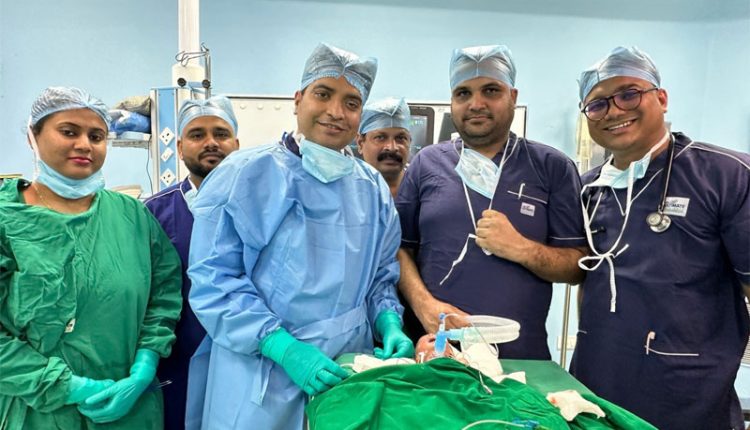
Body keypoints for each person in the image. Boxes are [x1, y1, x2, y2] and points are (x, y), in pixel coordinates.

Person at [186, 42, 414, 430]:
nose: (336, 112)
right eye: (323, 94)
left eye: (351, 102)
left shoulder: (372, 189)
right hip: (260, 370)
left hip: (345, 370)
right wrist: (282, 346)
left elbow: (380, 276)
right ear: (298, 99)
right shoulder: (245, 175)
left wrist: (389, 321)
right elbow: (214, 280)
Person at [569, 46, 750, 430]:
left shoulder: (725, 175)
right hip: (596, 385)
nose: (613, 111)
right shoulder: (587, 189)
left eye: (628, 94)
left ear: (662, 98)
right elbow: (592, 279)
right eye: (597, 105)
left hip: (690, 397)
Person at [0, 87, 182, 429]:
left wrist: (145, 364)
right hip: (35, 411)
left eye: (96, 136)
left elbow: (163, 293)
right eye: (69, 132)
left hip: (129, 409)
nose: (84, 144)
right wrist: (65, 387)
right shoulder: (6, 219)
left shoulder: (132, 216)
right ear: (32, 136)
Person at [396, 45, 587, 359]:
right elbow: (400, 249)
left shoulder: (552, 167)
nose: (476, 104)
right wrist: (424, 306)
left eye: (491, 90)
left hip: (520, 356)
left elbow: (578, 267)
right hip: (436, 350)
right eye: (463, 93)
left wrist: (522, 248)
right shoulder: (426, 164)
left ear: (512, 96)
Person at [144, 95, 240, 430]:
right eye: (197, 135)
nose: (211, 142)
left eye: (221, 133)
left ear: (237, 144)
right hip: (177, 362)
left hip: (249, 358)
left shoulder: (264, 208)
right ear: (180, 146)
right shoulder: (154, 213)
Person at [356, 97, 412, 197]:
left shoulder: (424, 188)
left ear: (409, 142)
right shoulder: (347, 191)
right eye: (380, 137)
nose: (392, 148)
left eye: (400, 138)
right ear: (360, 143)